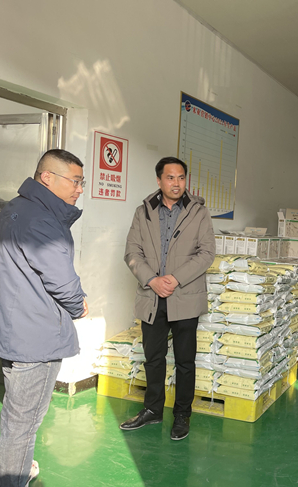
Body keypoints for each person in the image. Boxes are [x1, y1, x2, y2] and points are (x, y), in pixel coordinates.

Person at [0, 149, 89, 486]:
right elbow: (61, 281)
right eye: (75, 181)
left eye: (82, 182)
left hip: (12, 331)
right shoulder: (42, 221)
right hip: (36, 338)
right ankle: (11, 479)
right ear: (47, 177)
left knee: (16, 418)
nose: (79, 189)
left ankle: (16, 469)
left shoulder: (13, 210)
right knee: (23, 424)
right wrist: (79, 305)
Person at [121, 156, 215, 440]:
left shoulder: (198, 212)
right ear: (159, 180)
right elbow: (132, 252)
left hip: (184, 296)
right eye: (170, 177)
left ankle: (182, 415)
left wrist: (174, 278)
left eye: (181, 178)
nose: (176, 183)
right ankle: (152, 410)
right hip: (152, 297)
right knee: (153, 358)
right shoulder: (144, 212)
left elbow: (206, 253)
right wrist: (152, 280)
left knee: (185, 361)